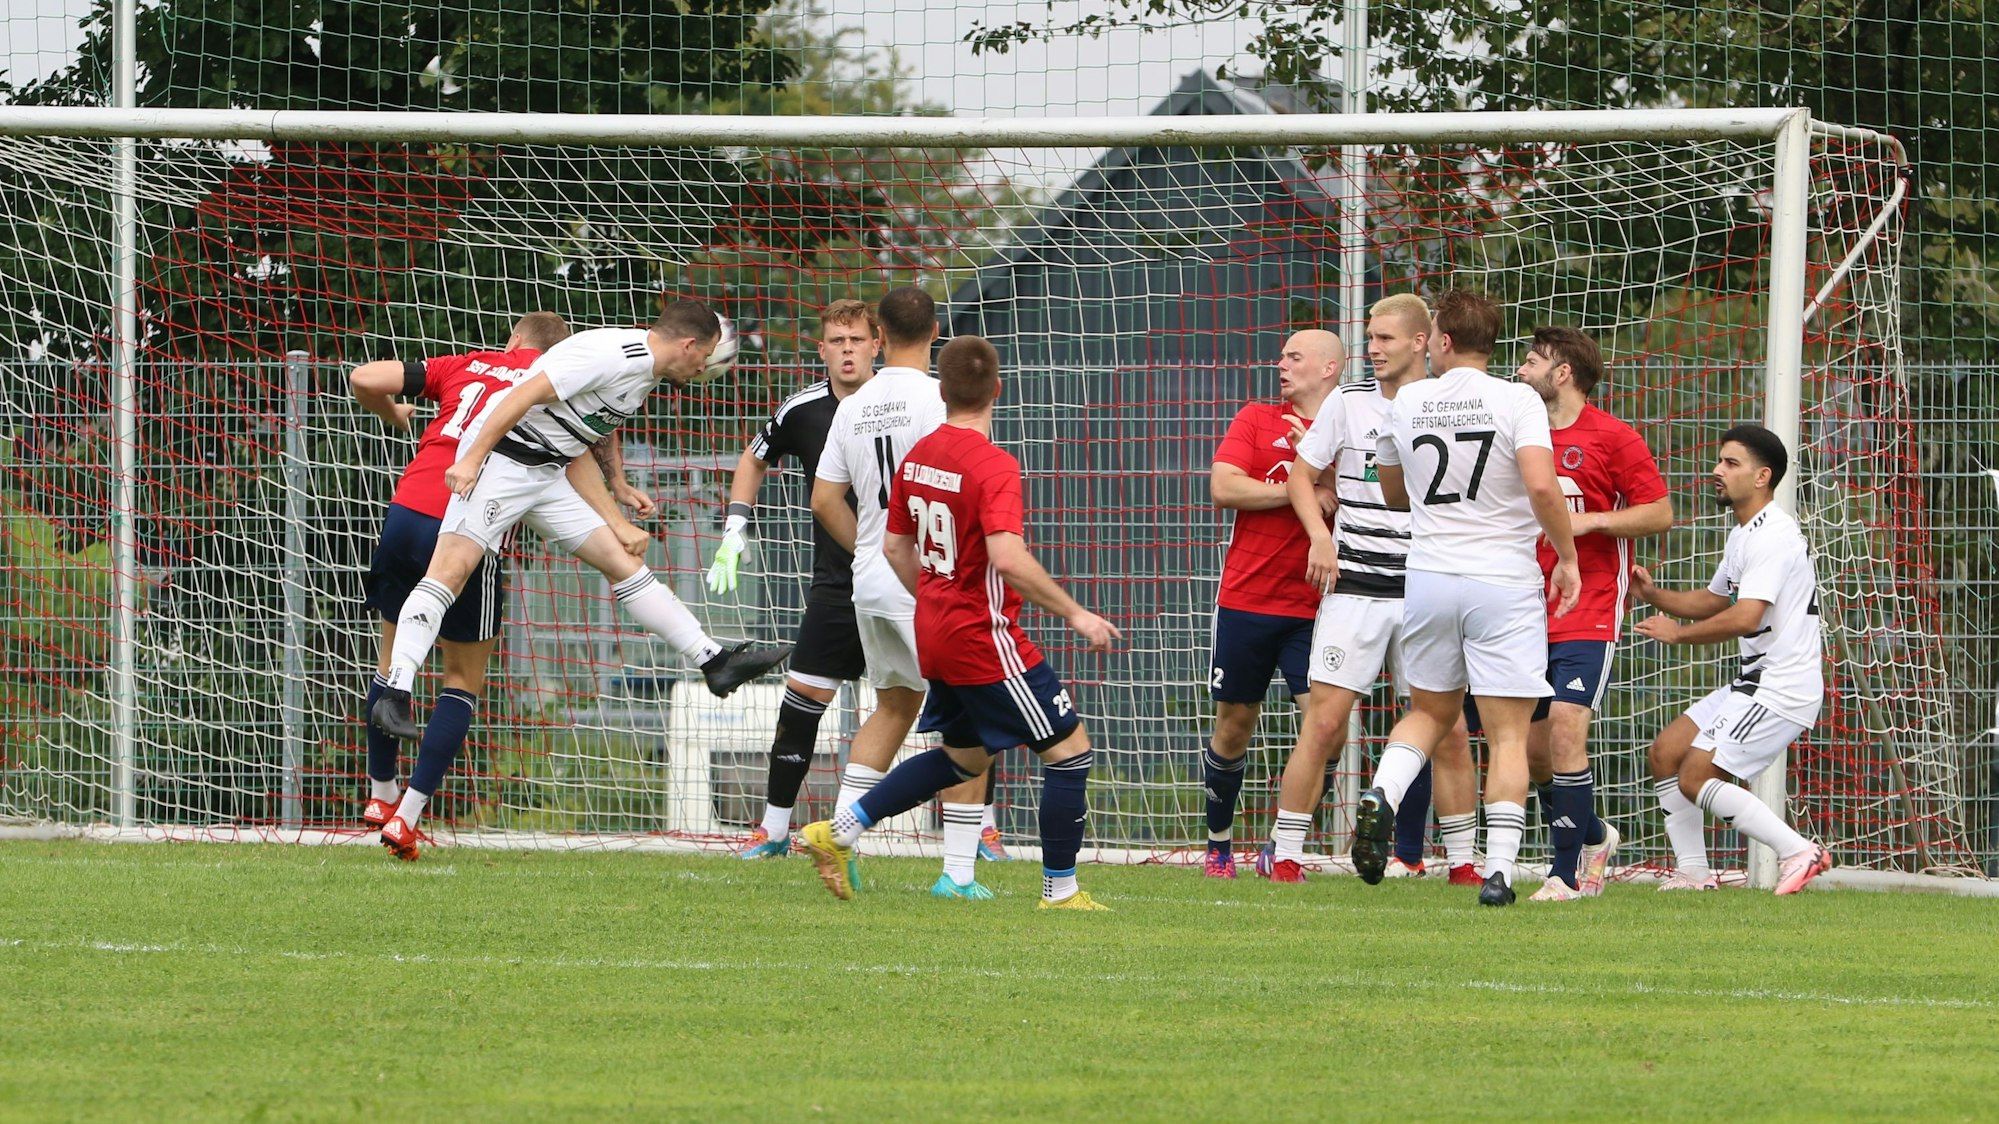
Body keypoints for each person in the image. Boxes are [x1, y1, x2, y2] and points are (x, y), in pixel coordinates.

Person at [368, 300, 791, 857]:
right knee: (450, 572)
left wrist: (615, 513)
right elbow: (516, 395)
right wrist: (471, 460)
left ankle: (715, 662)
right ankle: (395, 690)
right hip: (501, 467)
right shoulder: (608, 352)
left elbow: (573, 446)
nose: (704, 370)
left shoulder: (641, 377)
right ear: (690, 345)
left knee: (623, 563)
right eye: (708, 358)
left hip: (543, 475)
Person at [800, 334, 1121, 909]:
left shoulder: (919, 456)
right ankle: (1061, 890)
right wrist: (1076, 613)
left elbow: (896, 547)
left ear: (941, 391)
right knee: (1071, 752)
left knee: (963, 757)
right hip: (984, 636)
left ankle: (840, 829)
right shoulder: (994, 465)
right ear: (998, 389)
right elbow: (1007, 556)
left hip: (935, 629)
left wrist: (931, 599)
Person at [1349, 289, 1581, 906]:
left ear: (1441, 341)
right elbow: (1540, 484)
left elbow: (1393, 493)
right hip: (1501, 579)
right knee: (1507, 734)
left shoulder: (1408, 400)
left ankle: (1383, 795)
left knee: (1428, 713)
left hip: (1427, 576)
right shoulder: (1517, 398)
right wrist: (1567, 555)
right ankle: (1499, 873)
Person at [1270, 295, 1481, 885]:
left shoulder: (1452, 404)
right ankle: (1285, 852)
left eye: (1386, 338)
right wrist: (1319, 536)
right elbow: (1301, 476)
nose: (1374, 348)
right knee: (1325, 723)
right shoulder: (1350, 400)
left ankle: (1463, 861)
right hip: (1355, 586)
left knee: (1449, 728)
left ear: (1421, 342)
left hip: (1426, 588)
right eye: (1370, 337)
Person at [348, 312, 572, 842]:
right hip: (467, 527)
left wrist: (394, 413)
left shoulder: (466, 365)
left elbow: (364, 378)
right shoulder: (557, 389)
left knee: (392, 660)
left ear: (514, 338)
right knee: (462, 680)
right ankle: (409, 817)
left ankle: (381, 797)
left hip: (406, 514)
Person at [810, 287, 996, 899]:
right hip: (928, 577)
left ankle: (839, 835)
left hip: (870, 574)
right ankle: (959, 875)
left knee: (893, 706)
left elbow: (823, 499)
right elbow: (958, 480)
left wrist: (867, 545)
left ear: (879, 337)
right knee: (974, 721)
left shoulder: (854, 404)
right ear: (936, 331)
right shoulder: (938, 400)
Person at [711, 299, 879, 860]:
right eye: (838, 340)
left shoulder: (906, 404)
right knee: (800, 706)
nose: (848, 350)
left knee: (954, 700)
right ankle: (775, 831)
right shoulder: (802, 410)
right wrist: (736, 526)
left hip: (909, 584)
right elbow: (753, 459)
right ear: (823, 349)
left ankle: (977, 833)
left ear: (877, 344)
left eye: (857, 339)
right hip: (836, 588)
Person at [1509, 326, 1672, 901]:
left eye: (1532, 362)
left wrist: (1592, 522)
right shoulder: (1516, 431)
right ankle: (1596, 835)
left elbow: (1659, 513)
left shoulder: (1613, 437)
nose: (1521, 370)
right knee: (1530, 753)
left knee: (1565, 727)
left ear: (1563, 374)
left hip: (1591, 599)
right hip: (1521, 604)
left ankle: (1564, 874)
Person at [1633, 424, 1831, 895]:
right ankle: (1694, 874)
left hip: (1782, 686)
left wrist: (1678, 636)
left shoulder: (1774, 536)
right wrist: (1654, 594)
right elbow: (1714, 599)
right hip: (1755, 680)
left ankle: (1799, 851)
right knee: (1666, 753)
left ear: (1763, 476)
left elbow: (1745, 616)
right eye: (1720, 461)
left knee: (1696, 774)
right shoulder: (1745, 532)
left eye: (1731, 463)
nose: (1717, 471)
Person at [1199, 329, 1343, 878]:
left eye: (1294, 357)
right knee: (1234, 724)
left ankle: (1284, 845)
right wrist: (1298, 488)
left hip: (1321, 606)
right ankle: (1219, 846)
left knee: (1327, 730)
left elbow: (1377, 497)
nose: (1280, 364)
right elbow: (1225, 488)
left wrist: (1324, 468)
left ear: (1329, 368)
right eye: (1282, 356)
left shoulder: (1351, 424)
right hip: (1248, 598)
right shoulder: (1256, 418)